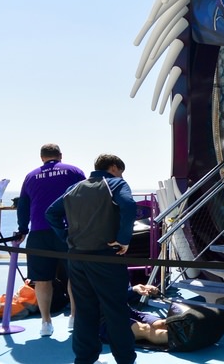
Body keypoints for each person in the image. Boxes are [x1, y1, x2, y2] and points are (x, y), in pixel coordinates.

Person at [46, 154, 137, 364]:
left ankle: (85, 359)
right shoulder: (116, 183)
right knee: (115, 309)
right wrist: (123, 239)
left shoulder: (74, 188)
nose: (122, 176)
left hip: (76, 257)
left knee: (85, 310)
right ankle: (125, 359)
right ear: (113, 167)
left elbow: (51, 213)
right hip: (106, 257)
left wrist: (66, 237)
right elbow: (129, 206)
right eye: (121, 171)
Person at [15, 143, 84, 337]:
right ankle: (74, 317)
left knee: (42, 280)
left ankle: (45, 322)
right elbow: (87, 197)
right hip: (68, 231)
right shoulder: (74, 171)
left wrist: (22, 229)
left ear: (41, 157)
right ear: (60, 155)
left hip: (39, 233)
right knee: (74, 276)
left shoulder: (30, 176)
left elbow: (23, 205)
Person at [100, 284, 167, 347]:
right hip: (105, 322)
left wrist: (142, 289)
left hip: (126, 311)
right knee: (145, 329)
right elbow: (110, 298)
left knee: (162, 323)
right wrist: (133, 290)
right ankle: (173, 337)